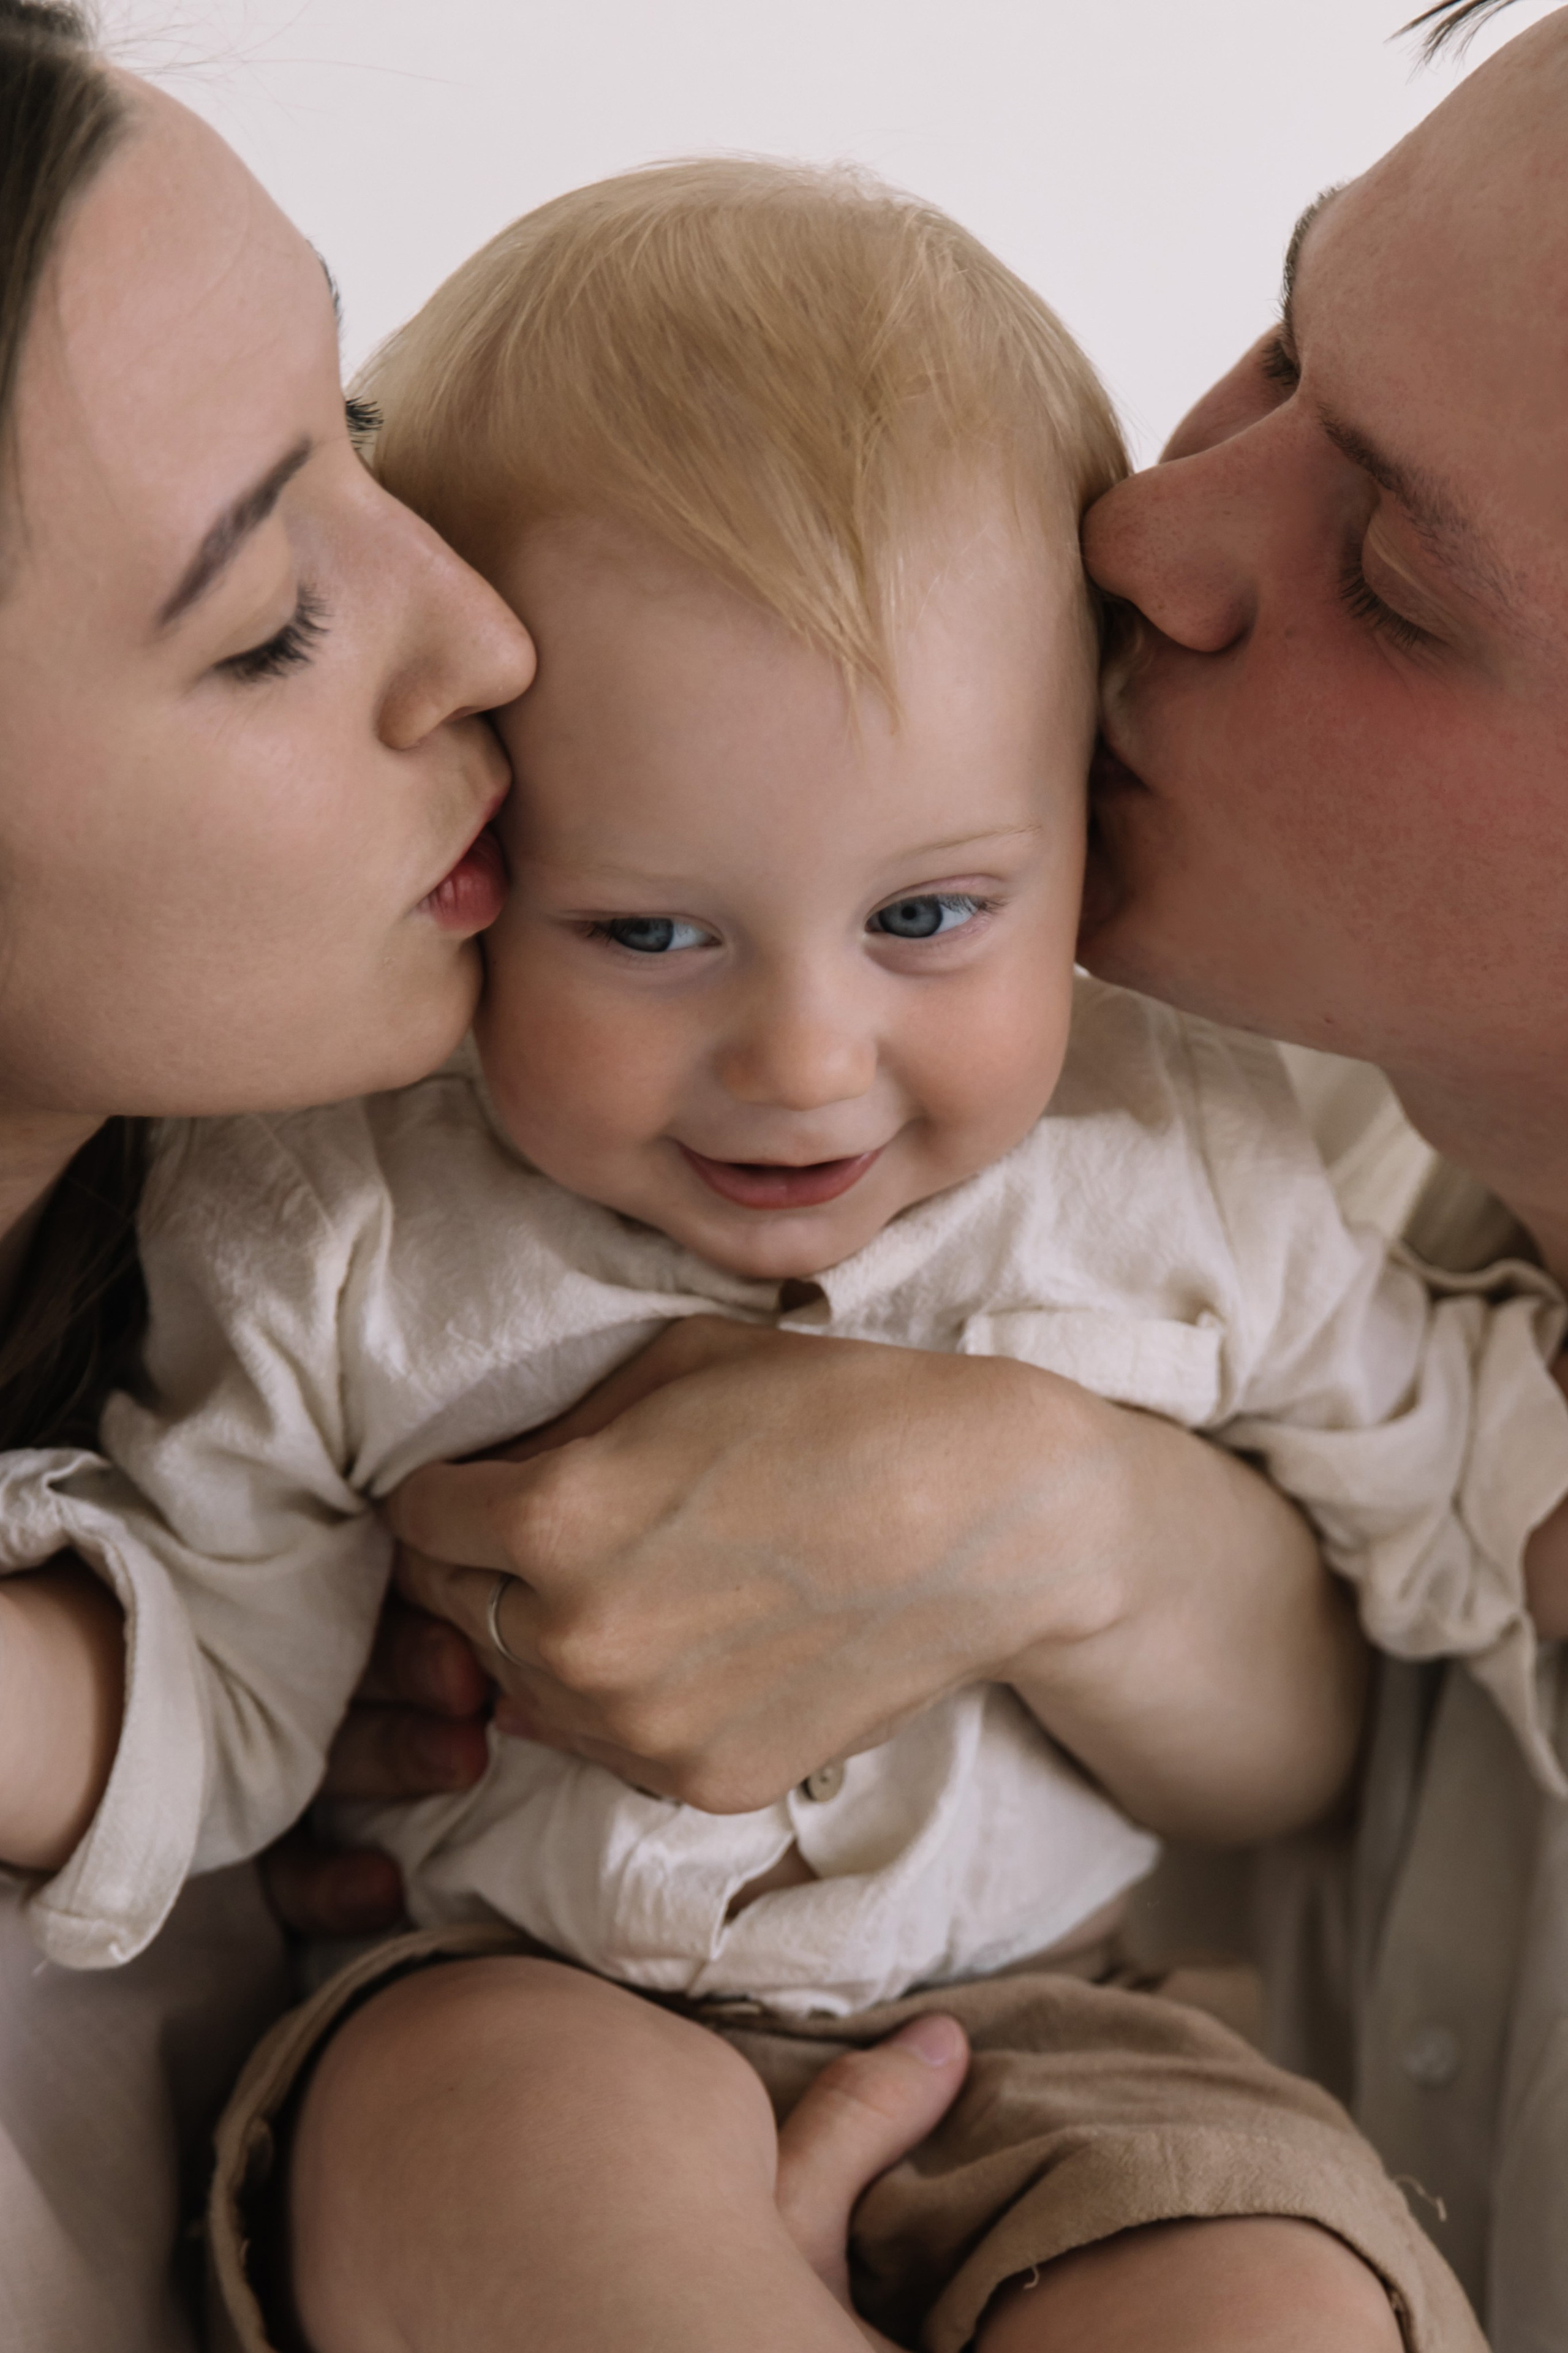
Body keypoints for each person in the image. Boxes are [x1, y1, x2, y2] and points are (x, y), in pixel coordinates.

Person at [0, 12, 1414, 2352]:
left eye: (360, 446)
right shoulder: (314, 1227)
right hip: (511, 2022)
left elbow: (1416, 1458)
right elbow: (205, 1659)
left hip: (1053, 2030)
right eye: (266, 618)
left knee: (1259, 2274)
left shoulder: (1186, 1120)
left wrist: (1075, 1518)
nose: (489, 640)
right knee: (495, 2122)